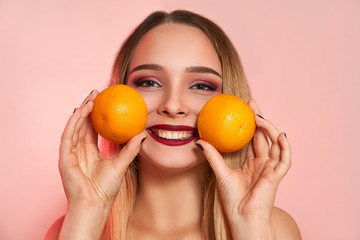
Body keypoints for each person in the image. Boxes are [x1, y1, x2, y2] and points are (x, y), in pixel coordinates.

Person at [45, 10, 301, 240]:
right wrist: (88, 212)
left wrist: (251, 227)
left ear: (232, 99)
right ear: (119, 93)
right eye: (149, 82)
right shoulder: (69, 229)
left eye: (201, 86)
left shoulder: (274, 230)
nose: (173, 104)